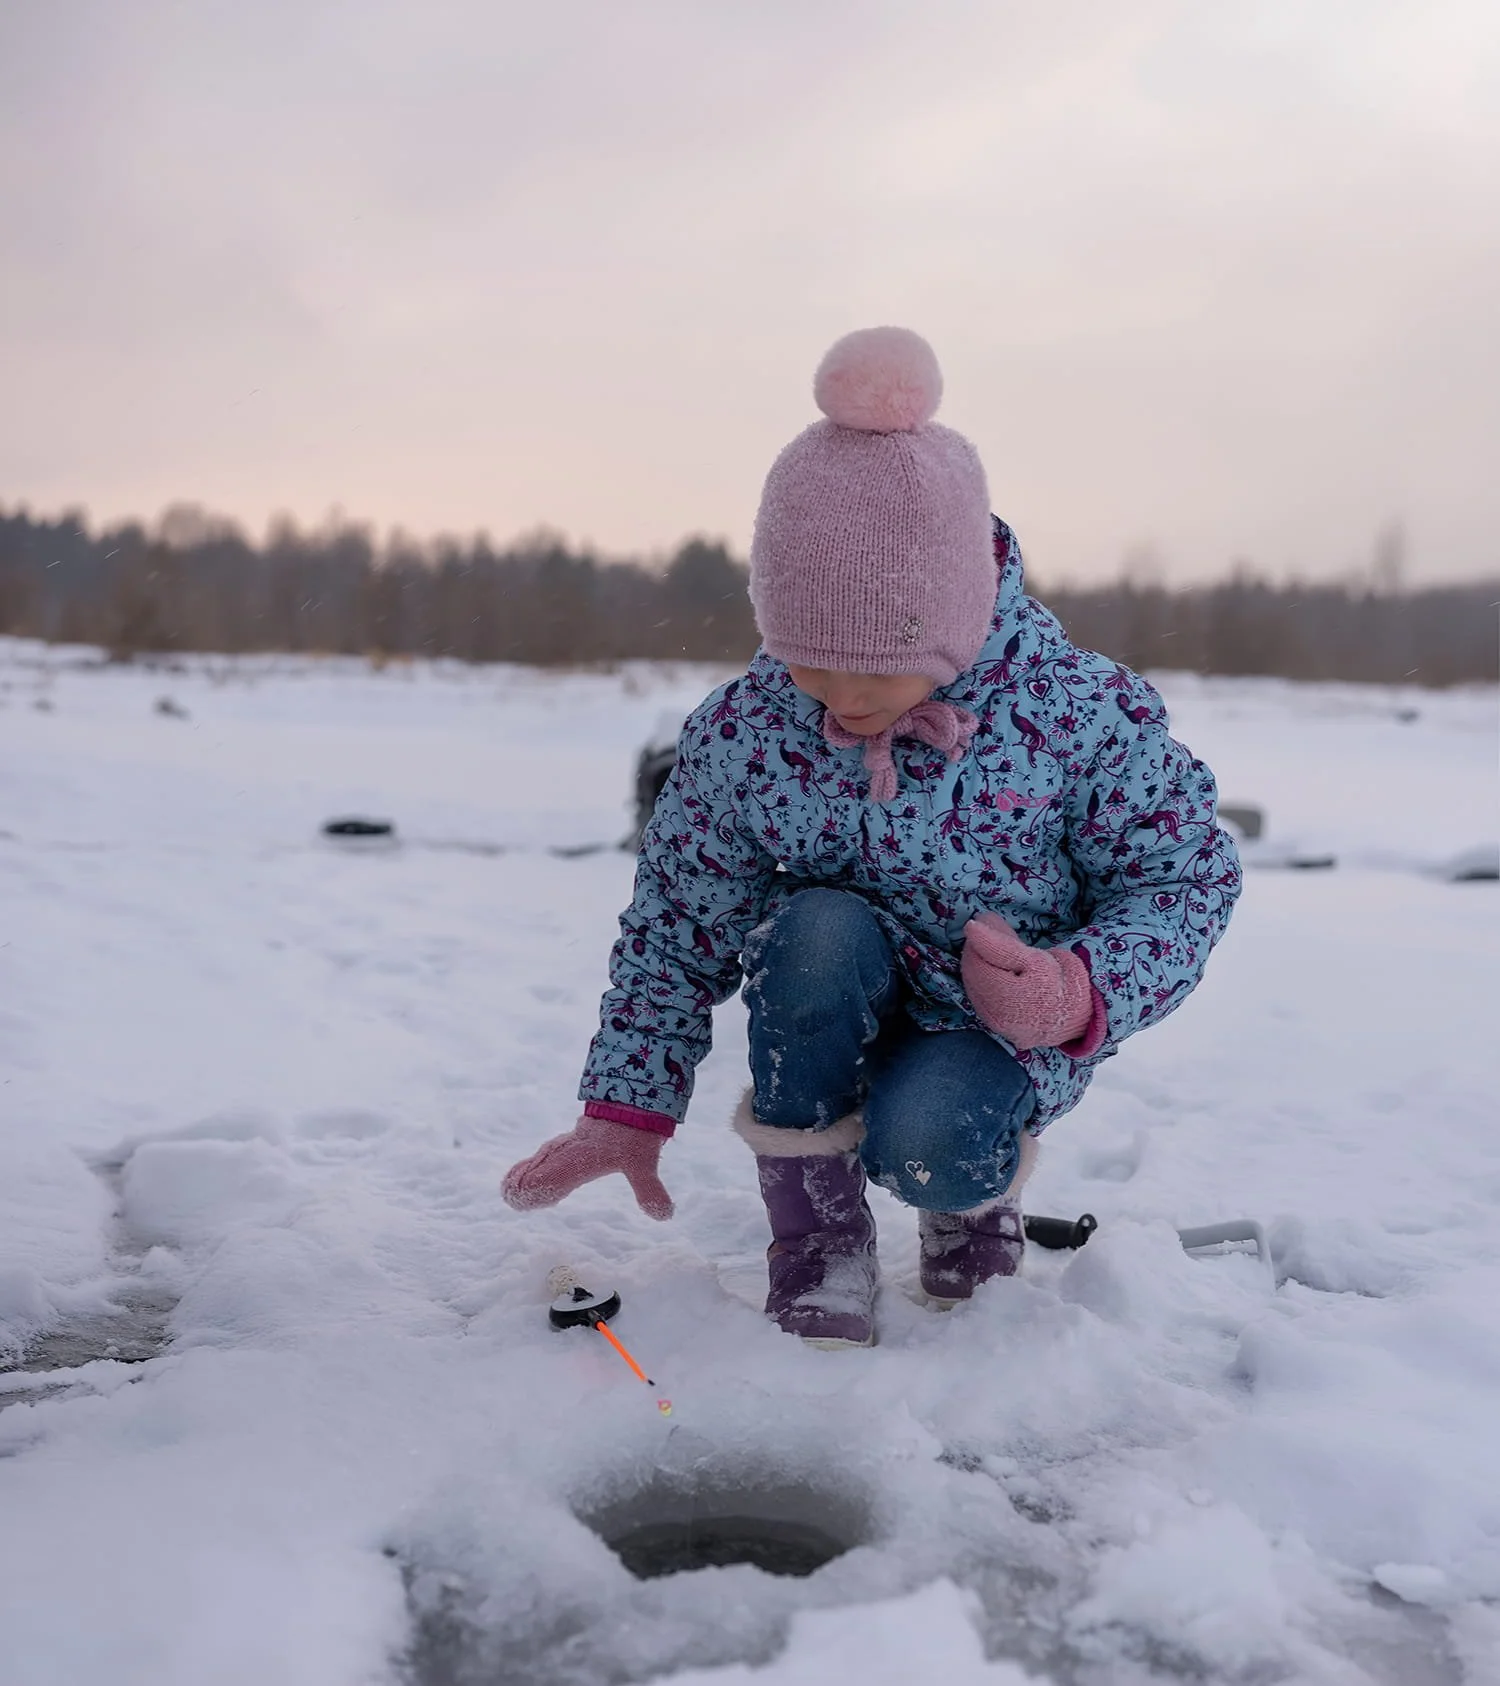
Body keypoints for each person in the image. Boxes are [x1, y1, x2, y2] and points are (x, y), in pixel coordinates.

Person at [502, 326, 1242, 1347]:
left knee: (929, 1140)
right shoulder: (749, 728)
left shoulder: (1071, 714)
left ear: (957, 620)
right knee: (812, 930)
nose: (841, 701)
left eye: (875, 671)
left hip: (994, 1022)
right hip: (828, 994)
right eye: (811, 664)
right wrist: (626, 1106)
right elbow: (678, 923)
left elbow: (1184, 878)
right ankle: (816, 1241)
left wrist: (1075, 990)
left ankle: (968, 1206)